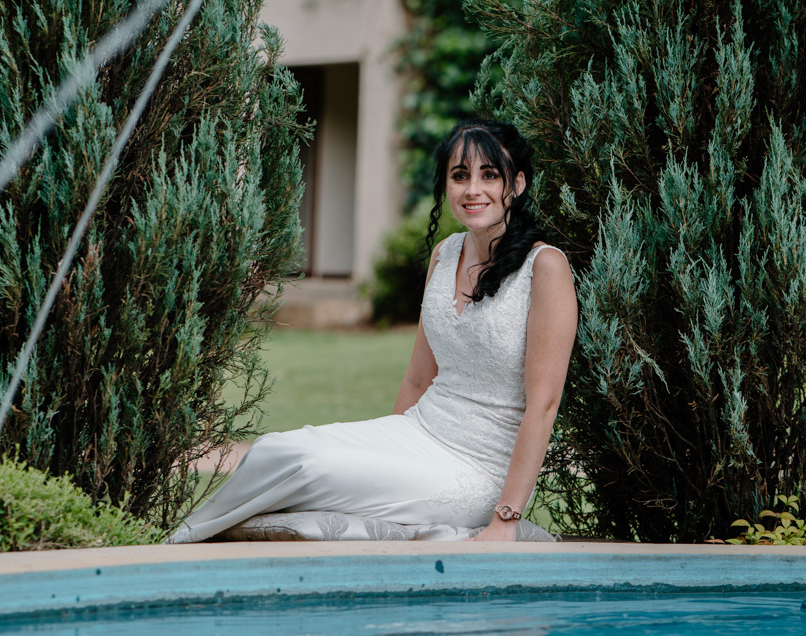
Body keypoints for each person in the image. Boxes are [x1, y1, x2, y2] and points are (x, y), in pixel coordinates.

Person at [168, 119, 577, 543]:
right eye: (460, 176)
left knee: (312, 469)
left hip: (476, 469)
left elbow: (543, 406)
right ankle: (184, 542)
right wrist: (386, 447)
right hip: (416, 433)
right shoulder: (446, 253)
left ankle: (182, 546)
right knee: (272, 450)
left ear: (517, 184)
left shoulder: (544, 268)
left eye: (489, 175)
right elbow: (418, 378)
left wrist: (505, 521)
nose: (473, 189)